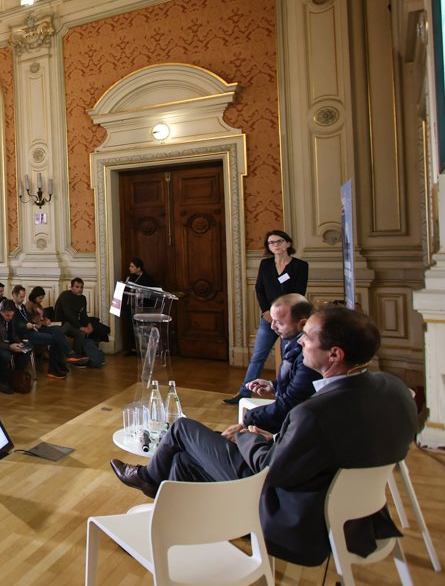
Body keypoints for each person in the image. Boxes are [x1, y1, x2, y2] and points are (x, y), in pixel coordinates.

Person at [110, 305, 418, 567]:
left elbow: (267, 471)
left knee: (182, 430)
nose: (299, 345)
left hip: (294, 517)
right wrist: (272, 439)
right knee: (183, 460)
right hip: (353, 514)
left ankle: (152, 485)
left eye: (307, 338)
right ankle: (176, 521)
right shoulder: (394, 388)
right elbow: (329, 445)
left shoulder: (315, 414)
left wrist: (247, 434)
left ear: (335, 354)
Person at [228, 230, 310, 403]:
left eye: (279, 241)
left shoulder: (300, 266)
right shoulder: (265, 264)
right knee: (258, 355)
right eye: (271, 243)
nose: (275, 245)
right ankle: (244, 392)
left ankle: (284, 393)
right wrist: (266, 311)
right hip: (268, 318)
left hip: (290, 319)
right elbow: (260, 288)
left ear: (288, 244)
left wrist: (287, 315)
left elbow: (299, 293)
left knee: (288, 357)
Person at [220, 294, 317, 435]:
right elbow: (296, 387)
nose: (273, 327)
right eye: (272, 321)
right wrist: (272, 386)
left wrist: (246, 421)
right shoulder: (293, 343)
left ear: (302, 324)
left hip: (294, 427)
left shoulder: (309, 357)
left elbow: (291, 402)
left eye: (279, 323)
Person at [11, 285, 77, 380]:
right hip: (24, 334)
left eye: (23, 297)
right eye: (21, 297)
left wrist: (34, 323)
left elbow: (28, 319)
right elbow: (14, 323)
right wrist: (26, 325)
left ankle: (63, 361)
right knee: (55, 338)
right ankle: (56, 368)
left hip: (32, 329)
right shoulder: (12, 307)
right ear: (14, 295)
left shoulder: (22, 307)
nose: (22, 299)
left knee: (57, 331)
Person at [53, 278, 105, 368]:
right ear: (71, 287)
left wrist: (89, 324)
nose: (79, 289)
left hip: (73, 323)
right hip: (62, 323)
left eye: (81, 287)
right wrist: (80, 327)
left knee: (85, 332)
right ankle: (74, 357)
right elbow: (68, 314)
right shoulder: (65, 296)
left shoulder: (82, 298)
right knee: (79, 331)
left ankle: (77, 357)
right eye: (77, 287)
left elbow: (83, 314)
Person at [120, 258, 157, 354]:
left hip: (142, 307)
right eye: (130, 266)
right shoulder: (129, 277)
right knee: (130, 327)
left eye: (132, 266)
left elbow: (151, 294)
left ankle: (143, 349)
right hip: (130, 306)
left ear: (139, 268)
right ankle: (131, 348)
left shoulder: (147, 279)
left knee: (141, 328)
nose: (129, 268)